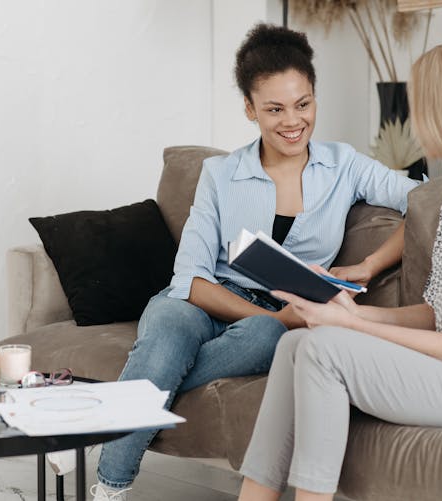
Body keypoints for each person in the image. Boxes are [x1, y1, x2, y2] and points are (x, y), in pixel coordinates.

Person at [91, 23, 419, 501]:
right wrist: (271, 315)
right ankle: (110, 487)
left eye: (303, 104)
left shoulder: (344, 164)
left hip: (271, 320)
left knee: (261, 338)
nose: (293, 121)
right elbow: (191, 279)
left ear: (314, 98)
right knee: (171, 332)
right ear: (250, 109)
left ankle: (143, 379)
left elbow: (427, 201)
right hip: (202, 302)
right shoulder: (220, 174)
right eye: (274, 108)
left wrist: (369, 264)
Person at [237, 36, 442, 501]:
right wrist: (352, 312)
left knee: (324, 350)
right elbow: (435, 313)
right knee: (296, 343)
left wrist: (345, 327)